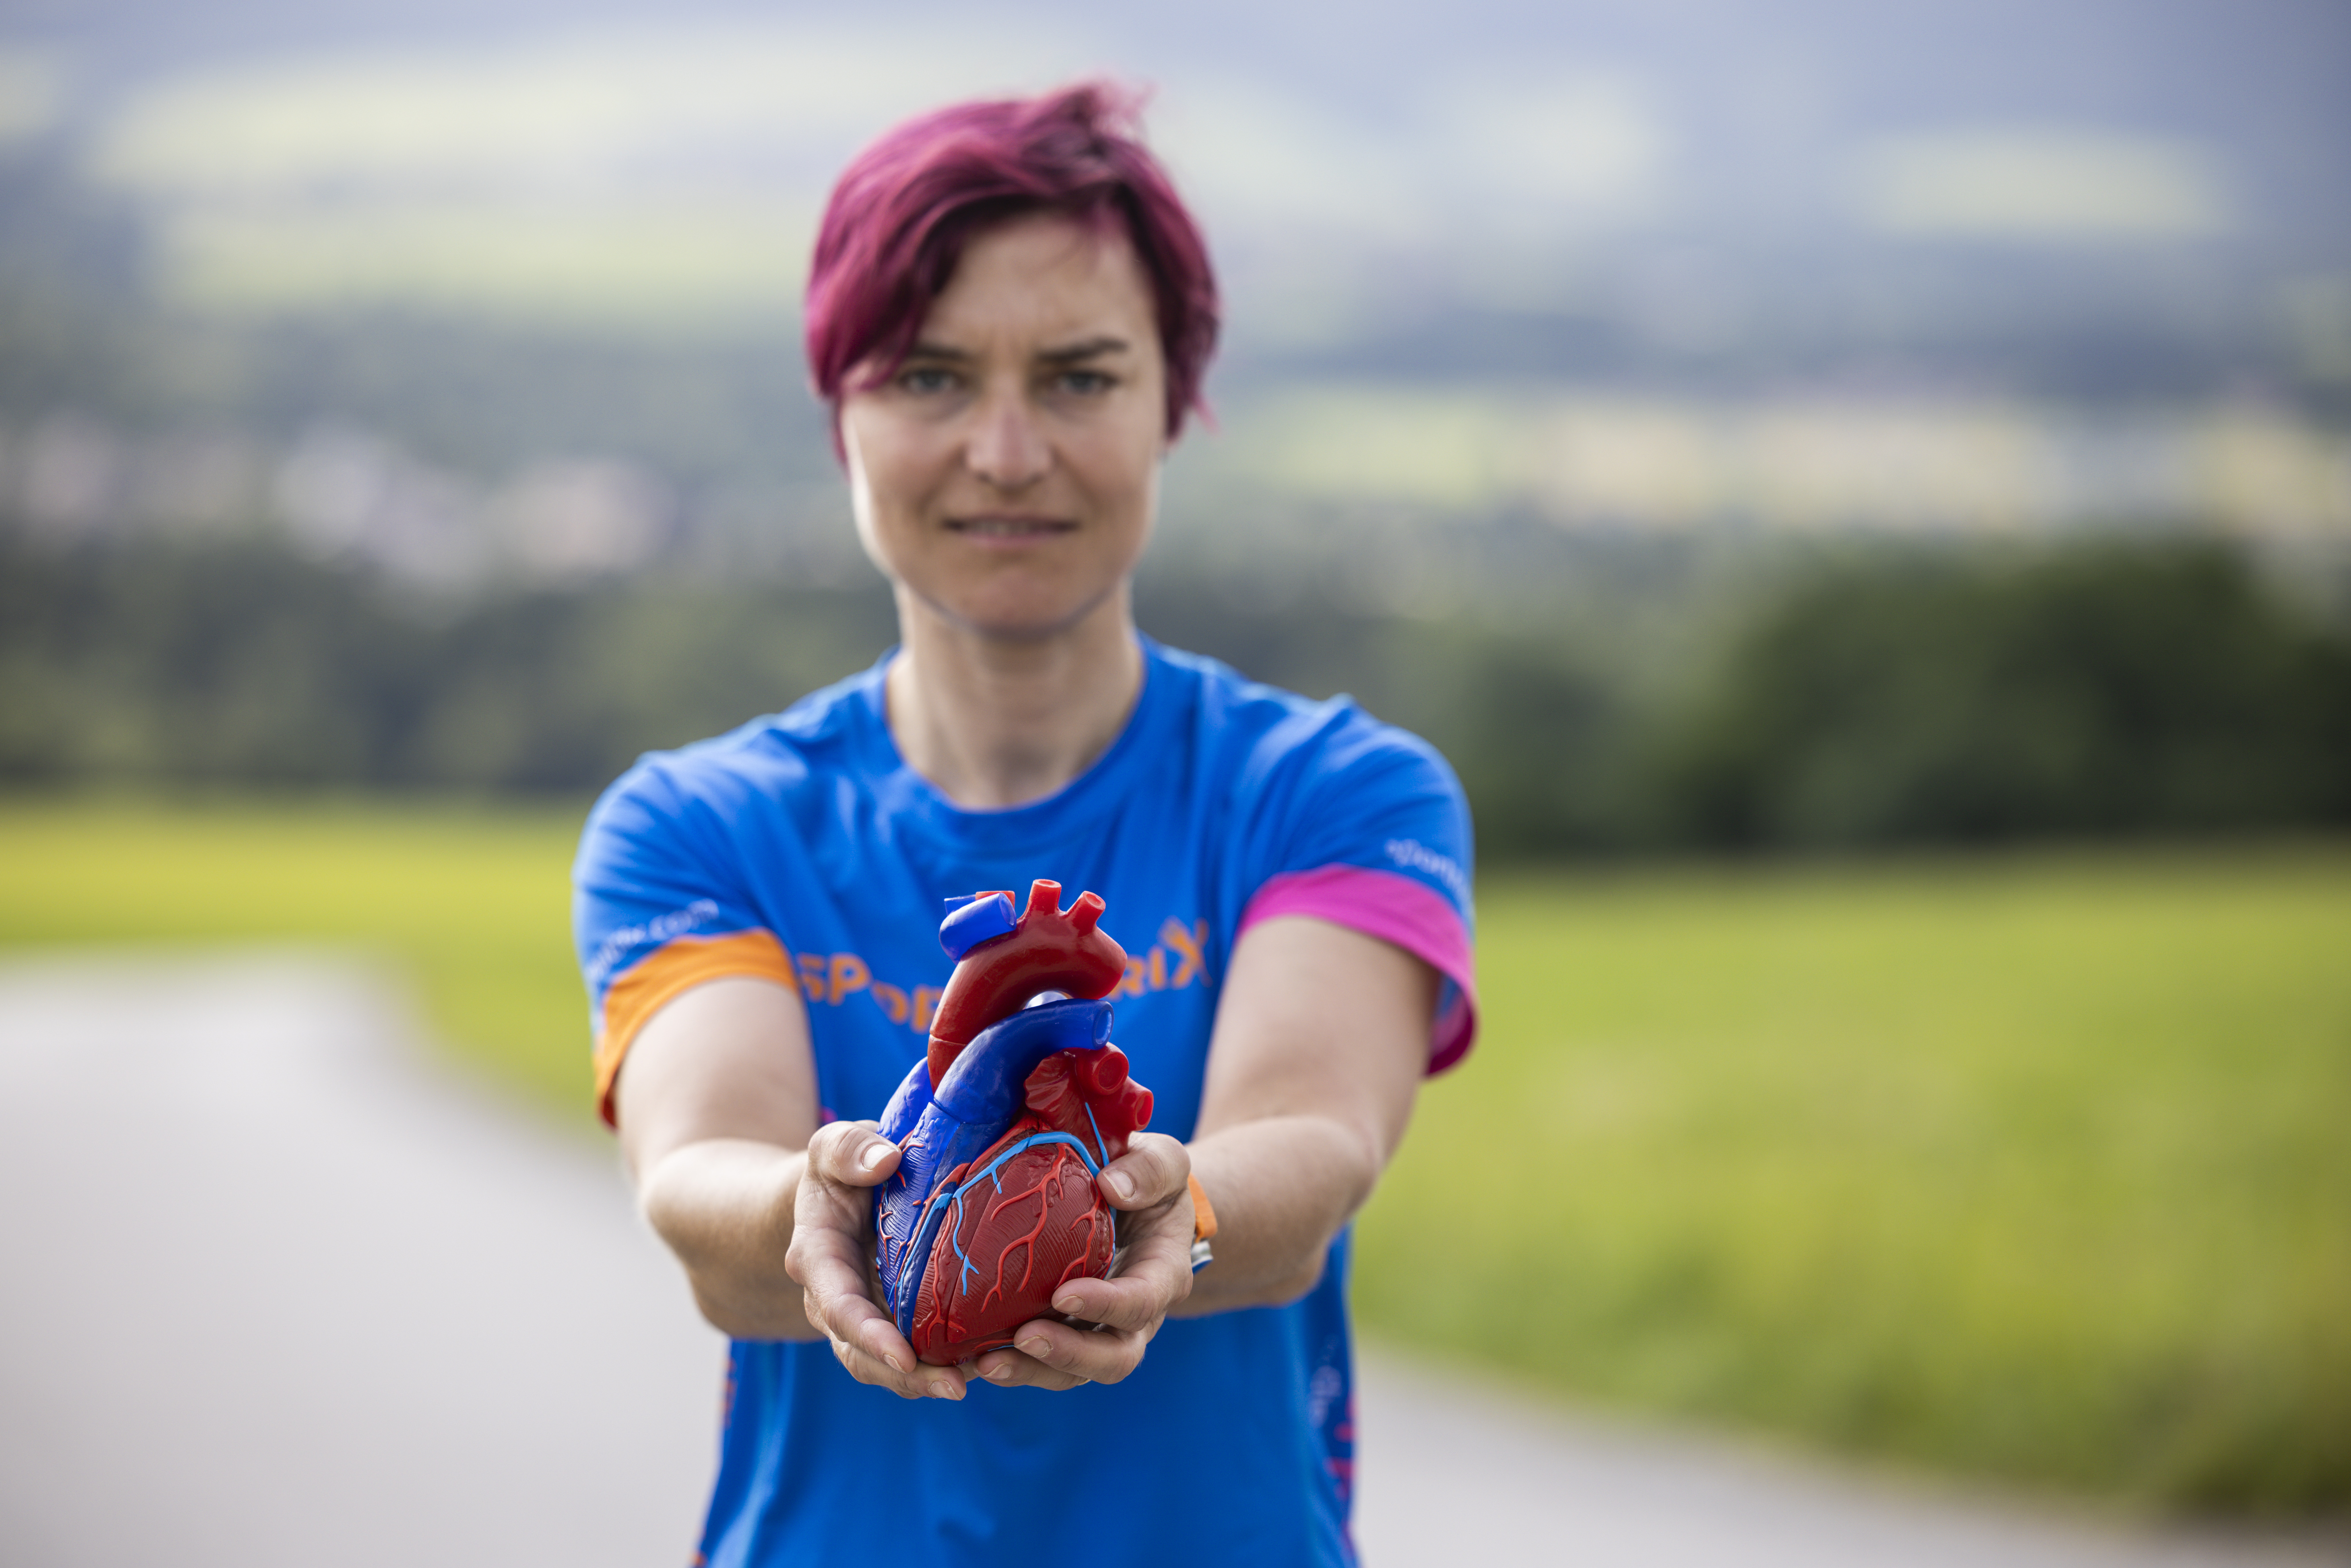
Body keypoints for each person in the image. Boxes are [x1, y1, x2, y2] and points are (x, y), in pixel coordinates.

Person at [571, 82, 1477, 1567]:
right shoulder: (696, 825)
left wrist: (1170, 1215)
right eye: (930, 377)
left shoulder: (1336, 792)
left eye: (1078, 378)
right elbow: (701, 1190)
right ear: (842, 416)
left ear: (1172, 405)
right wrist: (818, 1211)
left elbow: (1311, 1150)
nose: (1004, 452)